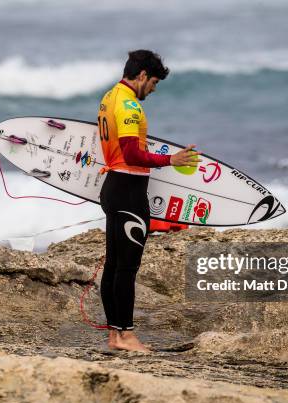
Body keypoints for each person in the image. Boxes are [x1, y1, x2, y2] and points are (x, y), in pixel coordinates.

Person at [97, 50, 201, 352]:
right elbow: (131, 153)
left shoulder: (110, 96)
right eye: (153, 82)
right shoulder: (129, 104)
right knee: (126, 267)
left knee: (114, 265)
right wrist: (172, 159)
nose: (153, 89)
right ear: (142, 75)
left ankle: (114, 336)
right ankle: (127, 336)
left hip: (114, 187)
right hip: (129, 191)